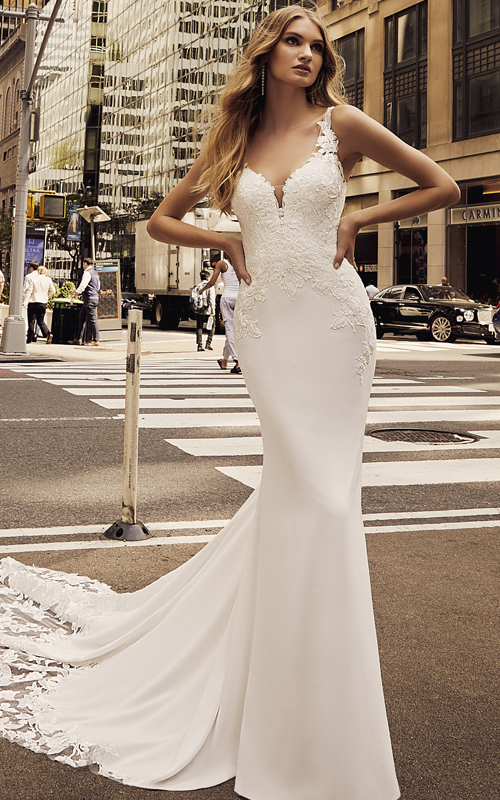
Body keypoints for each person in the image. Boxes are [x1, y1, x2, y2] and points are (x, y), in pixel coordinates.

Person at [0, 6, 459, 799]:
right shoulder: (236, 142)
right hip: (271, 331)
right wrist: (227, 242)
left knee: (320, 502)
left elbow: (442, 183)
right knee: (298, 499)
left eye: (319, 45)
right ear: (266, 50)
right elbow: (162, 220)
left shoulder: (339, 124)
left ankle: (315, 716)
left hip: (337, 326)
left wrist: (363, 216)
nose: (310, 54)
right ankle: (282, 697)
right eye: (295, 40)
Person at [200, 256, 241, 373]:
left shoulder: (222, 263)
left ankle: (237, 360)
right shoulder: (240, 262)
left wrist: (201, 290)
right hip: (239, 298)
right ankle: (224, 360)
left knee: (229, 330)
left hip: (227, 298)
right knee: (234, 330)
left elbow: (212, 281)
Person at [69, 257, 100, 346]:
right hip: (93, 298)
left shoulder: (87, 273)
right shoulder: (95, 273)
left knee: (93, 320)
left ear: (86, 263)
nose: (82, 266)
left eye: (83, 264)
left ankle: (96, 340)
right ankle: (78, 338)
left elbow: (83, 285)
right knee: (81, 317)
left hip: (90, 299)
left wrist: (75, 294)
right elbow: (97, 287)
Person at [23, 264, 56, 343]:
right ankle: (48, 333)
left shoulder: (33, 279)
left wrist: (25, 302)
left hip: (33, 301)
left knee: (31, 321)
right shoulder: (48, 280)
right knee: (40, 320)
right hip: (43, 302)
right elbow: (53, 291)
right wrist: (48, 297)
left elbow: (29, 291)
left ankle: (29, 338)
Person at [194, 268, 215, 351]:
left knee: (199, 327)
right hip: (208, 310)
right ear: (207, 278)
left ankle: (199, 345)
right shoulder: (210, 286)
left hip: (198, 310)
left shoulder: (197, 286)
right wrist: (213, 310)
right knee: (212, 326)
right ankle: (208, 344)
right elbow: (211, 299)